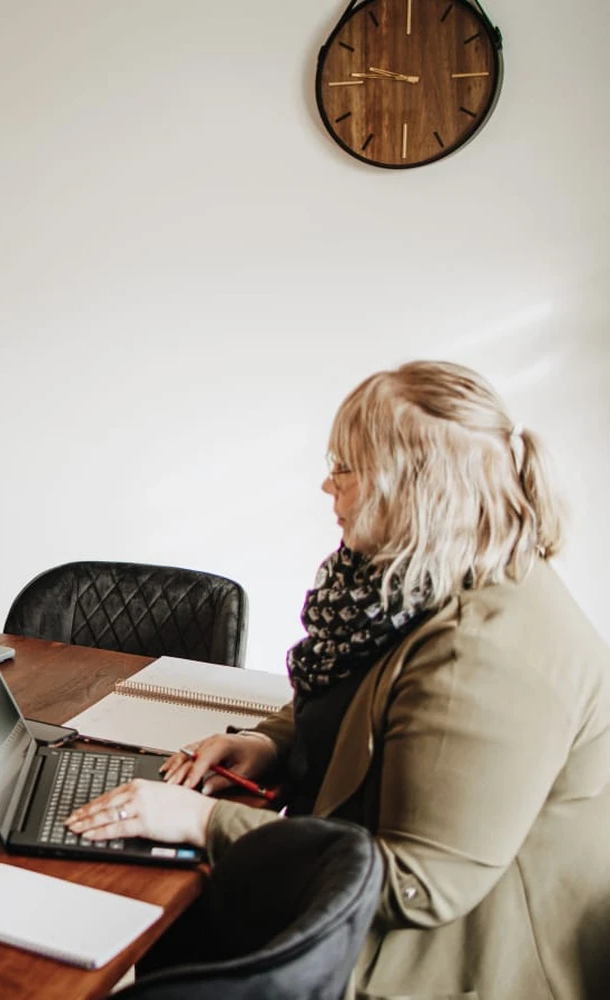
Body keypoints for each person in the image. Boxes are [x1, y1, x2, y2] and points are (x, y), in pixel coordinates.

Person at [67, 361, 610, 999]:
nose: (329, 485)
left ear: (415, 488)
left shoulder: (484, 655)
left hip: (453, 959)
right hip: (371, 887)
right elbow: (357, 696)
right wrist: (268, 743)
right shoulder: (414, 580)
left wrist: (202, 823)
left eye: (347, 467)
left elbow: (420, 883)